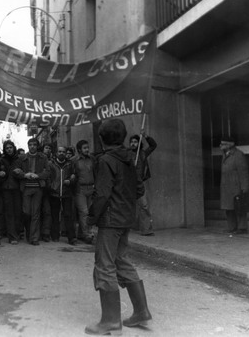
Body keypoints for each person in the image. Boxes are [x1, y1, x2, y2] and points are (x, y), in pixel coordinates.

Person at [85, 119, 151, 335]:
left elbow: (102, 194)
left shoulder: (105, 160)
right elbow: (139, 189)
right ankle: (141, 311)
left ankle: (110, 322)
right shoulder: (130, 158)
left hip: (110, 220)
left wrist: (91, 218)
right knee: (122, 261)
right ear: (122, 137)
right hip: (125, 218)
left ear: (101, 139)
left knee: (104, 265)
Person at [13, 138, 50, 246]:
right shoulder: (22, 158)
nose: (32, 146)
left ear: (37, 146)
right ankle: (29, 233)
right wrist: (25, 175)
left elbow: (48, 172)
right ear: (28, 146)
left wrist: (38, 175)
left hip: (38, 187)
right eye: (30, 145)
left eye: (34, 145)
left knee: (36, 213)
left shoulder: (43, 157)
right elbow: (15, 172)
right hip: (26, 188)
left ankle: (34, 238)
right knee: (26, 212)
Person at [220, 135, 249, 234]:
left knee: (239, 207)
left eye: (223, 144)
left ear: (230, 145)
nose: (220, 145)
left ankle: (242, 228)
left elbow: (243, 172)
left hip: (236, 186)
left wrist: (244, 187)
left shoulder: (238, 155)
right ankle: (232, 227)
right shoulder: (225, 154)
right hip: (227, 186)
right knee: (229, 208)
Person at [129, 132, 157, 236]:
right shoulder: (127, 154)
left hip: (139, 184)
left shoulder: (143, 153)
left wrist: (146, 136)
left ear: (139, 143)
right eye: (131, 142)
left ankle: (146, 230)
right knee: (127, 206)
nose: (133, 144)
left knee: (144, 206)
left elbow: (153, 145)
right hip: (128, 184)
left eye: (135, 142)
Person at [48, 146, 77, 244]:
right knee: (55, 215)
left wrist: (70, 180)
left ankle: (71, 237)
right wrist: (52, 186)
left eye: (63, 152)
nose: (61, 153)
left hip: (66, 193)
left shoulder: (70, 164)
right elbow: (48, 177)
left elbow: (74, 175)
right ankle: (55, 235)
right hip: (54, 193)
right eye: (59, 151)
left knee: (68, 215)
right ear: (56, 153)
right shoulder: (51, 164)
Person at [72, 139, 96, 244]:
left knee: (90, 212)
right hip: (80, 189)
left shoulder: (92, 159)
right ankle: (88, 235)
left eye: (87, 147)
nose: (87, 150)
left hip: (91, 188)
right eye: (84, 148)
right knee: (84, 212)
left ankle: (81, 233)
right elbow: (71, 174)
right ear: (79, 150)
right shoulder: (74, 160)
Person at [1, 140, 22, 245]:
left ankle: (17, 232)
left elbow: (23, 173)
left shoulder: (19, 159)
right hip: (6, 188)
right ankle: (12, 236)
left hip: (17, 188)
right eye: (7, 148)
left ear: (14, 148)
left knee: (18, 212)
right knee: (9, 213)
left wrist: (19, 173)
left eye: (11, 147)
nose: (9, 150)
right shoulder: (1, 160)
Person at [40, 143, 53, 242]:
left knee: (47, 211)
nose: (47, 150)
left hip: (50, 189)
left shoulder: (53, 161)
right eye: (46, 148)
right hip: (40, 188)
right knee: (38, 211)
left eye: (49, 148)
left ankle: (46, 232)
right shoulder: (39, 160)